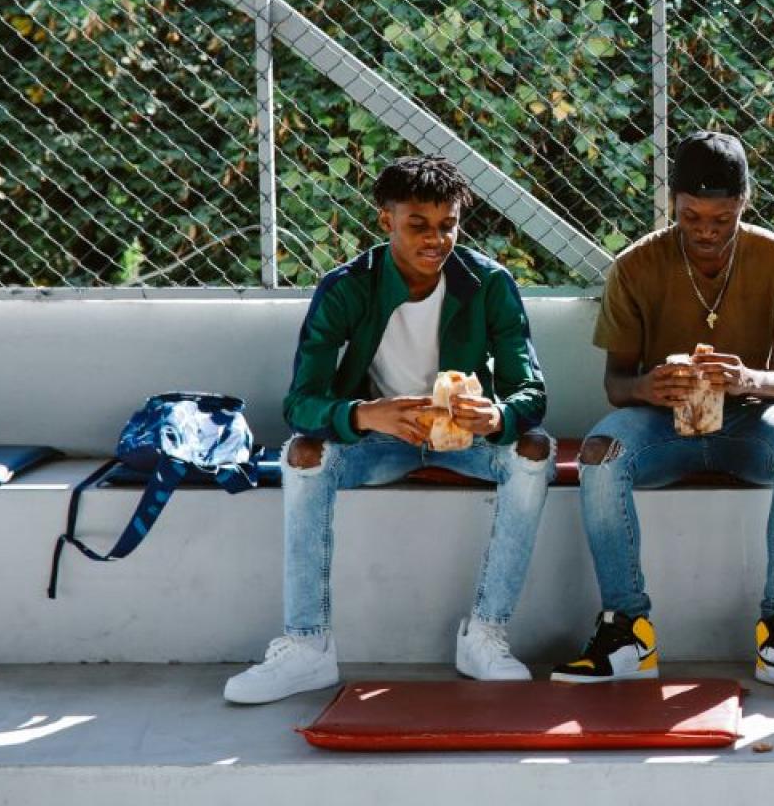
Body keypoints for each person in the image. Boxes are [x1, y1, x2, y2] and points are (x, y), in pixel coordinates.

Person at [224, 155, 554, 704]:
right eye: (417, 225)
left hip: (465, 442)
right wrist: (363, 414)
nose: (436, 239)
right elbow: (300, 402)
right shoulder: (347, 288)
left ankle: (485, 633)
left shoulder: (489, 283)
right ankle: (307, 647)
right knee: (303, 455)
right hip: (380, 442)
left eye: (447, 225)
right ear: (386, 222)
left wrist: (497, 415)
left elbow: (532, 393)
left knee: (533, 450)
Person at [553, 131, 774, 702]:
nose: (706, 231)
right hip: (662, 427)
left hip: (749, 422)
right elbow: (616, 385)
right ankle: (626, 631)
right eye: (691, 217)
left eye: (722, 219)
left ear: (745, 205)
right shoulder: (636, 265)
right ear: (673, 205)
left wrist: (748, 378)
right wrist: (651, 386)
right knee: (599, 454)